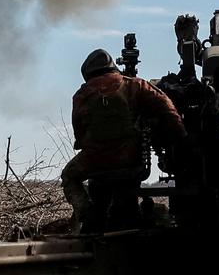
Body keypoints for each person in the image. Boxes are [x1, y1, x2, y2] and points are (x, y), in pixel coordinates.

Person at [61, 48, 185, 231]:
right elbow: (166, 107)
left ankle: (88, 213)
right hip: (130, 158)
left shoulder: (81, 95)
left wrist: (89, 147)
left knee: (69, 176)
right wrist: (180, 136)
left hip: (94, 161)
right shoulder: (135, 85)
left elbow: (79, 133)